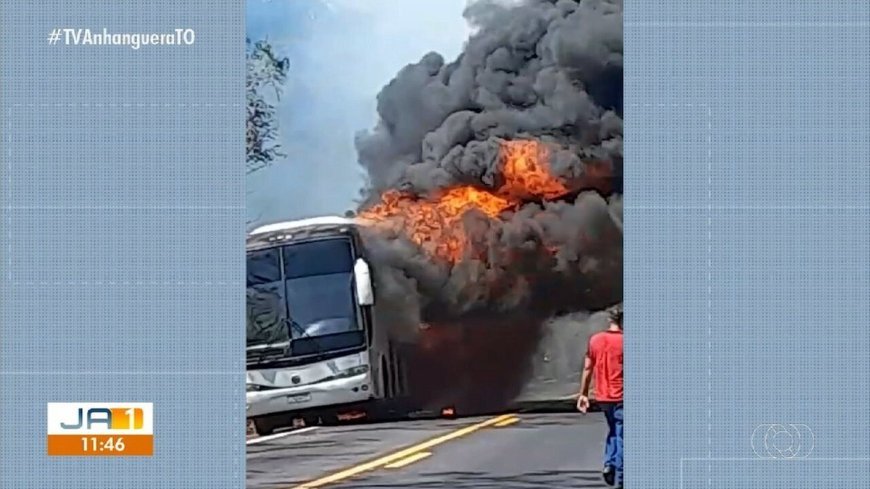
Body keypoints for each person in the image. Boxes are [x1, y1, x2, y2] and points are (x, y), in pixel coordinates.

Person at [577, 306, 623, 488]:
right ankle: (622, 476)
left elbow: (588, 368)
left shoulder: (595, 340)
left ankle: (609, 463)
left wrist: (583, 394)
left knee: (614, 430)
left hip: (603, 397)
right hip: (622, 396)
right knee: (623, 435)